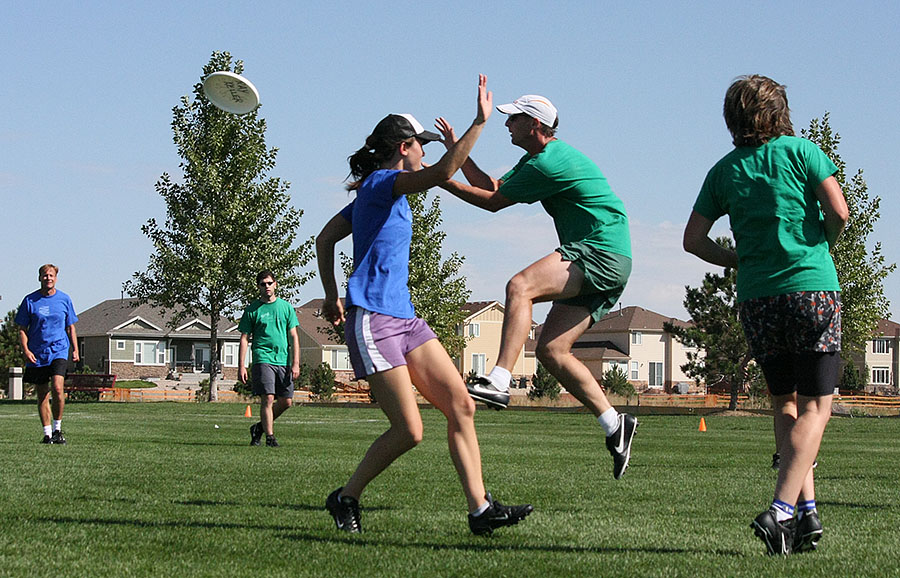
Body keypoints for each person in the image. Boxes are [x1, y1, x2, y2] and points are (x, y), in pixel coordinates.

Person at [316, 75, 532, 535]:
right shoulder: (381, 183)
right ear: (405, 148)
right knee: (409, 431)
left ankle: (480, 511)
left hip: (406, 319)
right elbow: (440, 174)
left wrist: (333, 292)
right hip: (373, 320)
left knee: (461, 406)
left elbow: (325, 238)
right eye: (422, 146)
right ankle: (345, 496)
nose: (425, 154)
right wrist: (479, 122)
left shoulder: (379, 192)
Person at [683, 75, 848, 555]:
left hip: (757, 298)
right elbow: (838, 211)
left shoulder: (723, 171)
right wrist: (821, 246)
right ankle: (780, 511)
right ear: (780, 111)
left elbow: (692, 240)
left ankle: (806, 513)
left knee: (785, 404)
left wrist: (737, 260)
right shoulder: (803, 152)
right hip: (812, 290)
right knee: (817, 407)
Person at [433, 94, 637, 480]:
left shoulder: (551, 161)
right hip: (611, 257)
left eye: (514, 119)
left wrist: (440, 179)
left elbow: (492, 203)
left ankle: (499, 380)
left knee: (520, 286)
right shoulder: (536, 160)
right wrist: (454, 151)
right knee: (551, 350)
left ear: (536, 126)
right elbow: (491, 185)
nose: (507, 125)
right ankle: (615, 423)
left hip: (600, 249)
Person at [15, 264, 79, 444]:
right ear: (39, 278)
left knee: (58, 388)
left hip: (59, 349)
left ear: (56, 278)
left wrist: (75, 349)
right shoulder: (30, 300)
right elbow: (22, 329)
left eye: (51, 275)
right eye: (45, 275)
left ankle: (58, 430)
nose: (48, 278)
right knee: (42, 392)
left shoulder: (64, 299)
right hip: (37, 353)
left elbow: (71, 326)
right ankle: (47, 433)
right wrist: (26, 350)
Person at [238, 270, 300, 448]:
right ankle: (270, 437)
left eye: (269, 283)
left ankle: (259, 428)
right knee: (268, 398)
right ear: (258, 286)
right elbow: (244, 338)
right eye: (263, 284)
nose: (267, 286)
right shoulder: (252, 310)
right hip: (262, 357)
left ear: (275, 284)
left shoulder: (286, 308)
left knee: (286, 402)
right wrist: (241, 366)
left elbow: (294, 336)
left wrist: (295, 363)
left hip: (283, 360)